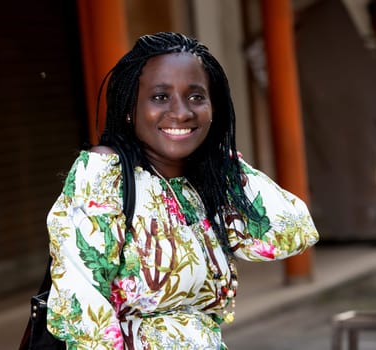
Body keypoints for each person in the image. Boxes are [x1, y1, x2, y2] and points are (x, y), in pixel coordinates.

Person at [45, 32, 318, 349]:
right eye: (160, 97)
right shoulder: (106, 176)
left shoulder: (204, 183)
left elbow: (293, 232)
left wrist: (222, 162)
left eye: (196, 97)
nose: (182, 112)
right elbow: (79, 305)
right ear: (130, 108)